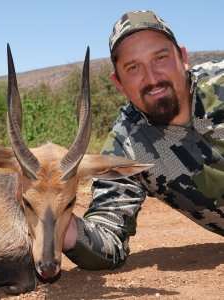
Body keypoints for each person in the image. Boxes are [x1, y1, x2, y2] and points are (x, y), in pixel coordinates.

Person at [62, 10, 224, 270]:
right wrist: (57, 221)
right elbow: (108, 239)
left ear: (182, 57)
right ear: (119, 83)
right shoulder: (126, 145)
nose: (152, 77)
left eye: (160, 58)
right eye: (134, 67)